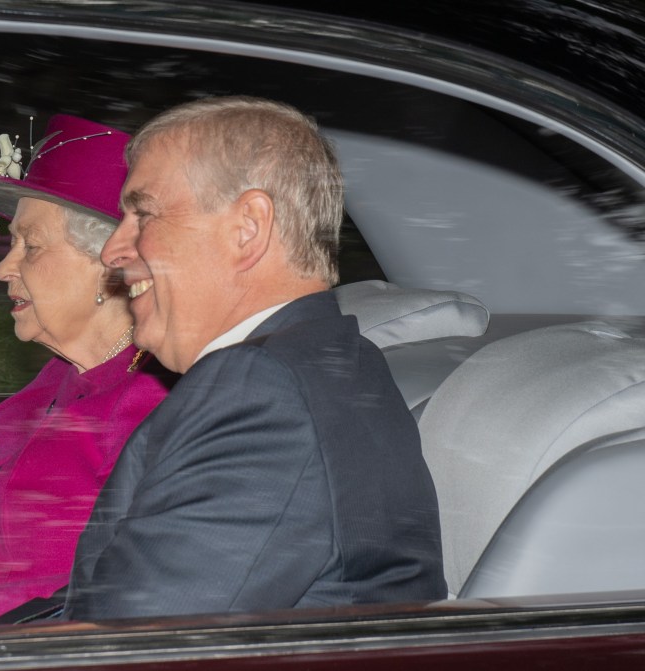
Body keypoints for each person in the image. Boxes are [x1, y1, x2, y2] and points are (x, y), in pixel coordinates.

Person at [62, 96, 447, 620]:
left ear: (247, 228)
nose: (113, 250)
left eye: (142, 213)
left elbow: (134, 642)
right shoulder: (311, 364)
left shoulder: (264, 390)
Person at [0, 114, 175, 628]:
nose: (4, 267)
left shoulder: (162, 402)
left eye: (31, 244)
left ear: (110, 262)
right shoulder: (58, 378)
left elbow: (140, 589)